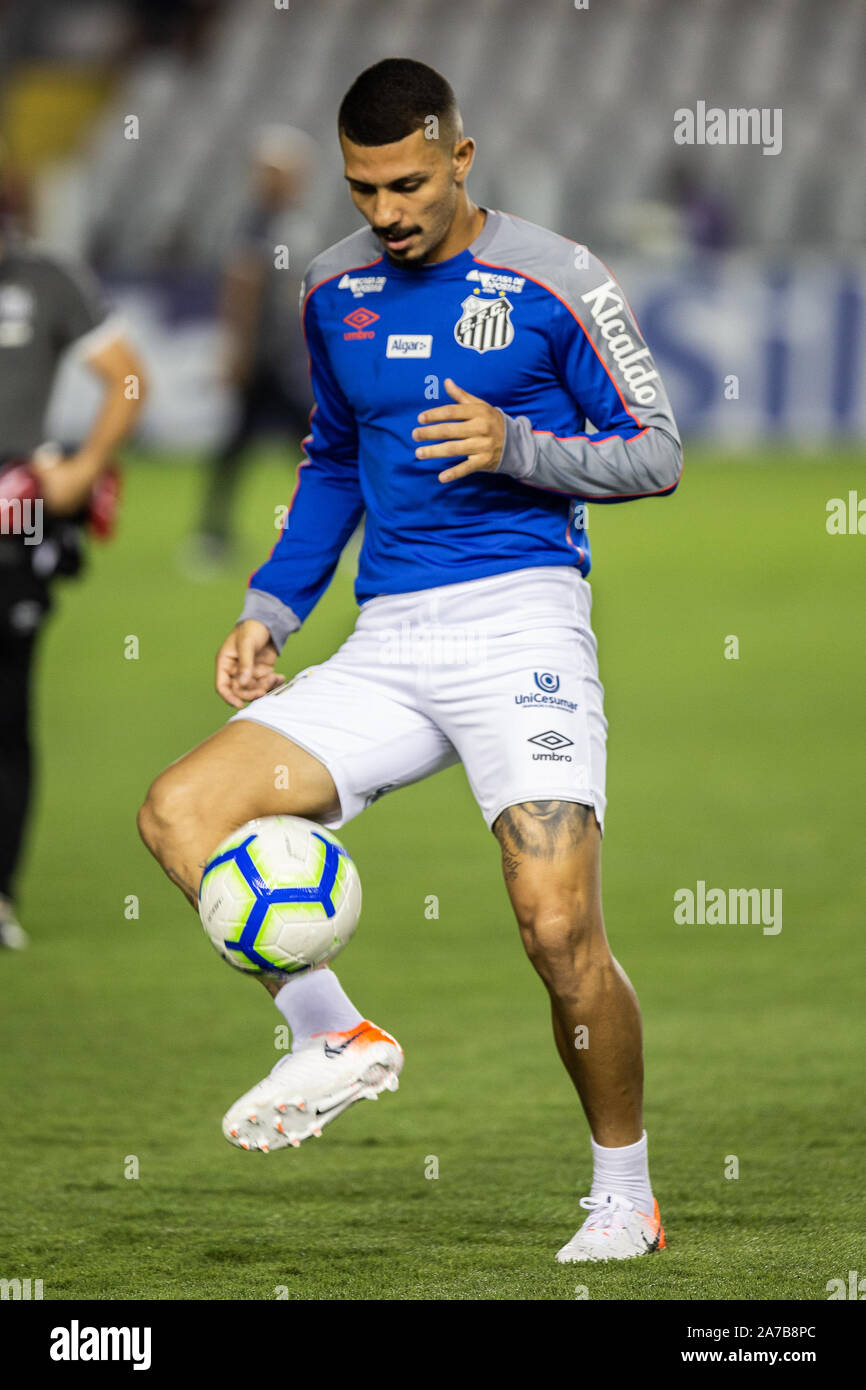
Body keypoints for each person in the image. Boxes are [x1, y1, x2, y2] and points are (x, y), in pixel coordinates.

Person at [139, 59, 682, 1264]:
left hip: (523, 625)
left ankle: (622, 1194)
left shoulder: (555, 280)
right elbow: (334, 457)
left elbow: (655, 453)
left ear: (461, 159)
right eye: (363, 187)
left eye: (408, 184)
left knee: (553, 926)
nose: (385, 211)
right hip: (390, 642)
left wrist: (517, 445)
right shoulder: (333, 291)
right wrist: (271, 608)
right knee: (179, 811)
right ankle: (333, 1037)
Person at [0, 228, 147, 947]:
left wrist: (85, 470)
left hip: (12, 522)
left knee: (6, 711)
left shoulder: (44, 278)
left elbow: (126, 376)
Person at [192, 125, 318, 565]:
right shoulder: (258, 222)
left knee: (265, 443)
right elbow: (242, 288)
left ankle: (212, 533)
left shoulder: (283, 221)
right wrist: (238, 351)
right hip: (264, 360)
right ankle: (212, 534)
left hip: (278, 357)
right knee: (304, 441)